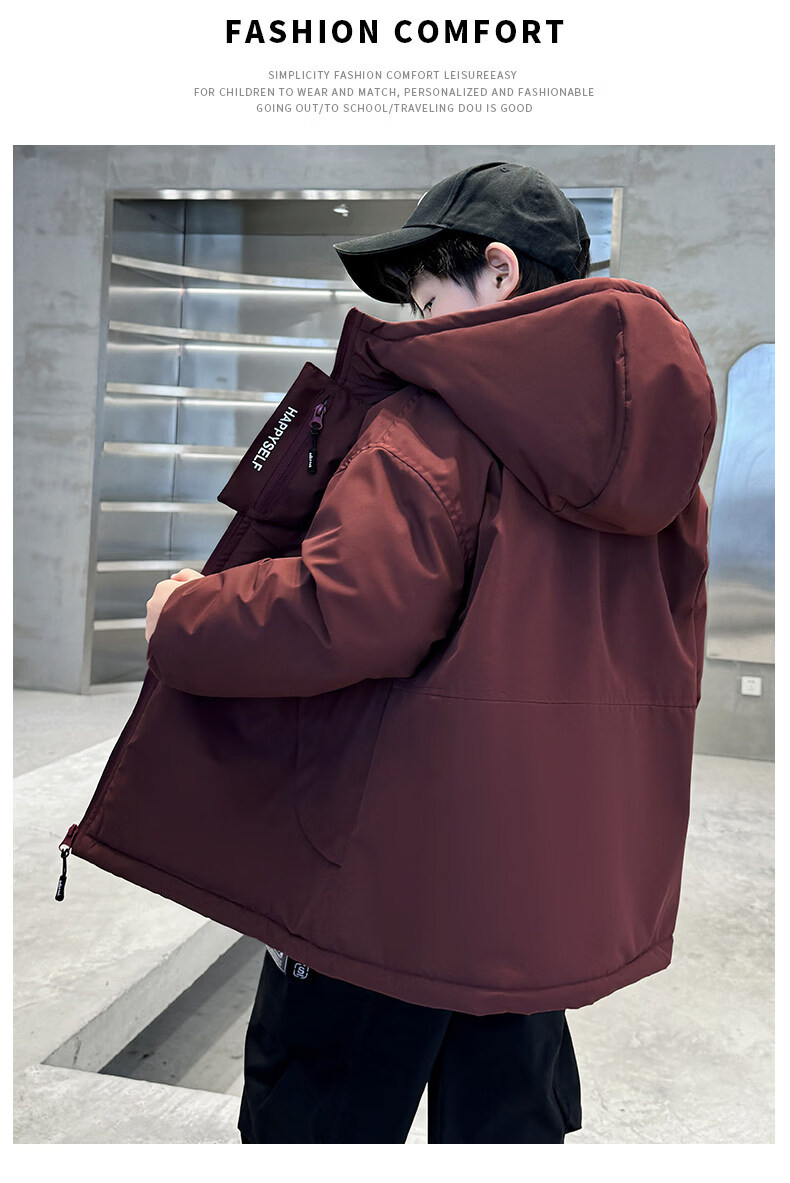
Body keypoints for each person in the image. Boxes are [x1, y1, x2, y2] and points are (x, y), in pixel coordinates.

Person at [140, 162, 716, 1143]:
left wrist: (186, 615)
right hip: (537, 879)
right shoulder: (660, 464)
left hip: (393, 875)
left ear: (498, 271)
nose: (416, 325)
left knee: (313, 1122)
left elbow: (348, 606)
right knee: (504, 1126)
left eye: (425, 298)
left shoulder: (438, 419)